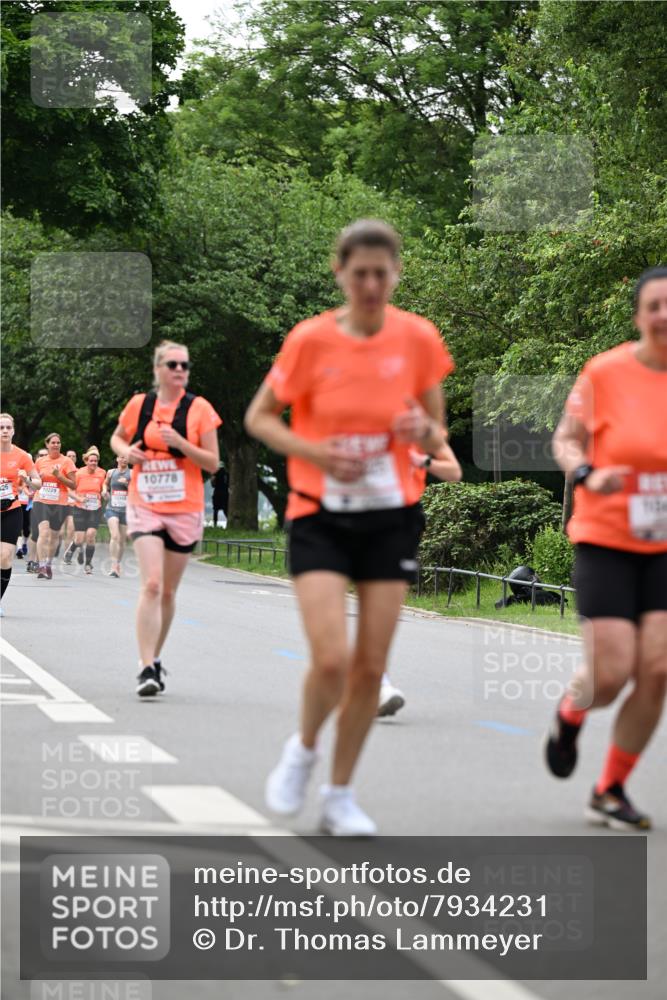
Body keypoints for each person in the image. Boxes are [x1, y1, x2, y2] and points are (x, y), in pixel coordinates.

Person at [245, 218, 456, 836]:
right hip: (320, 513)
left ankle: (339, 794)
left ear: (395, 274)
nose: (370, 284)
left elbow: (439, 431)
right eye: (359, 273)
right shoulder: (310, 340)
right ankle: (304, 750)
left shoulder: (418, 339)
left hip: (391, 516)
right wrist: (311, 453)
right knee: (333, 659)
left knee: (370, 667)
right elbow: (260, 417)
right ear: (340, 273)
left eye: (381, 273)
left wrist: (425, 433)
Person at [546, 265, 667, 830]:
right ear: (640, 315)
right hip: (607, 538)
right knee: (611, 674)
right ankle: (572, 713)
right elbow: (565, 440)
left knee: (659, 670)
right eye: (655, 305)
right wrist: (588, 470)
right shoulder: (606, 371)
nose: (664, 316)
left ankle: (610, 786)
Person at [110, 340, 221, 696]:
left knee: (169, 591)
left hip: (184, 507)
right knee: (153, 584)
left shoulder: (199, 409)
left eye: (184, 366)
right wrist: (126, 451)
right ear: (158, 369)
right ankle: (145, 668)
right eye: (172, 364)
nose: (179, 371)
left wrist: (182, 444)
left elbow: (212, 463)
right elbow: (117, 438)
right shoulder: (139, 405)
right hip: (145, 503)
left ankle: (155, 659)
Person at [376, 440, 464, 717]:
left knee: (383, 611)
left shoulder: (421, 427)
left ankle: (378, 682)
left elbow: (454, 472)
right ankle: (374, 681)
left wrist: (422, 461)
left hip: (402, 519)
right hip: (357, 514)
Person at [0, 413, 41, 614]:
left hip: (11, 509)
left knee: (5, 556)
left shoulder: (23, 456)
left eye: (8, 427)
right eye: (1, 428)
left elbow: (38, 483)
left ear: (13, 431)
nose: (5, 431)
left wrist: (27, 480)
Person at [33, 434, 76, 579]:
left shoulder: (67, 461)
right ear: (47, 444)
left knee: (53, 536)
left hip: (60, 503)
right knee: (43, 532)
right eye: (53, 442)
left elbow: (73, 484)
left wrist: (59, 476)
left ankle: (49, 564)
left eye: (58, 442)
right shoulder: (40, 461)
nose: (56, 445)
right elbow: (34, 481)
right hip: (41, 500)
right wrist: (35, 479)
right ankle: (41, 566)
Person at [63, 447, 105, 574]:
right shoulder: (79, 473)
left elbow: (104, 487)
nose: (93, 463)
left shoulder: (102, 473)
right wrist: (79, 498)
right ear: (86, 461)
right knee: (80, 538)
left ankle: (88, 564)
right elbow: (69, 490)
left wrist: (104, 492)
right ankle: (72, 547)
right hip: (80, 508)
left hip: (95, 508)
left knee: (91, 535)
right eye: (91, 461)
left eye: (95, 461)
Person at [103, 454, 131, 577]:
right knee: (115, 536)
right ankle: (113, 565)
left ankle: (117, 563)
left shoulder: (133, 473)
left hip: (126, 511)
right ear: (117, 459)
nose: (123, 459)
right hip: (112, 508)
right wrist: (104, 491)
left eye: (125, 457)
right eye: (121, 457)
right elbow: (105, 484)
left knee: (122, 540)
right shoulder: (111, 472)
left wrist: (127, 484)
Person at [26, 448, 48, 573]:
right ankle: (32, 561)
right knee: (35, 534)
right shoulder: (32, 469)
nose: (43, 457)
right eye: (41, 455)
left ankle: (41, 562)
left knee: (44, 534)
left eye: (45, 455)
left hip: (50, 506)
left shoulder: (51, 468)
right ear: (36, 457)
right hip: (34, 504)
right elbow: (25, 485)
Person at [60, 449, 79, 554]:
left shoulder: (79, 472)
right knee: (60, 532)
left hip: (73, 504)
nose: (71, 458)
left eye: (73, 456)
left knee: (71, 530)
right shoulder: (61, 471)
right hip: (61, 503)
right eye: (69, 456)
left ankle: (67, 554)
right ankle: (55, 546)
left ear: (76, 459)